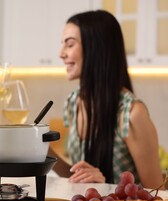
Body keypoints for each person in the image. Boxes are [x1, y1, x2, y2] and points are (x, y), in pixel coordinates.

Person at [58, 10, 162, 188]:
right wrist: (39, 150)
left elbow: (157, 194)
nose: (61, 53)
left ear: (96, 48)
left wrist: (106, 186)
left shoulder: (131, 113)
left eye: (70, 45)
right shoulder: (73, 102)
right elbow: (76, 173)